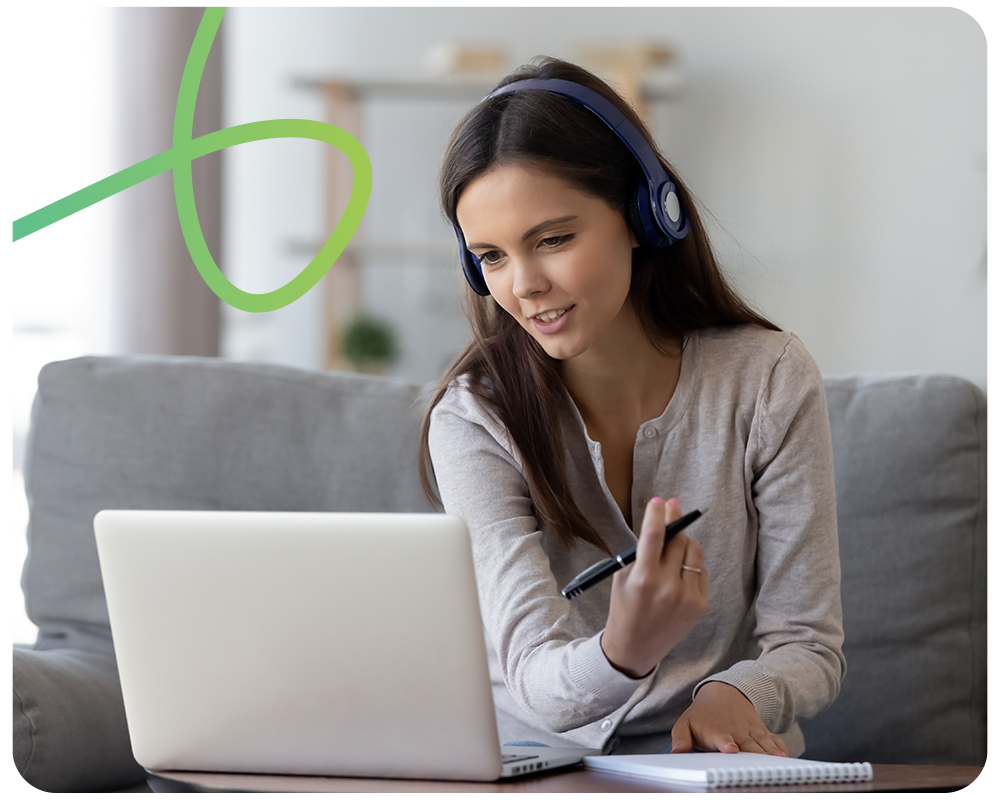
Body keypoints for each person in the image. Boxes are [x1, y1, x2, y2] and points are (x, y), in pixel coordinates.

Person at [419, 56, 845, 758]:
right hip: (537, 765)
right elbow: (533, 676)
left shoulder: (768, 379)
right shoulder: (473, 420)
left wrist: (740, 691)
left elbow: (809, 644)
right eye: (491, 256)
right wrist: (625, 647)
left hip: (714, 762)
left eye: (554, 239)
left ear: (648, 213)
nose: (524, 285)